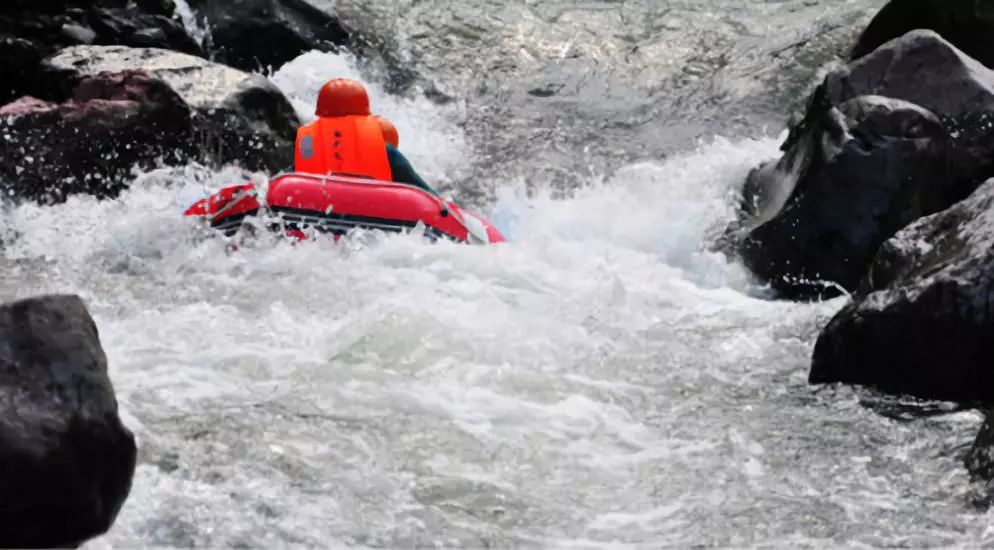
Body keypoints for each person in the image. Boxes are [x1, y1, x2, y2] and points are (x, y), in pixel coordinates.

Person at [294, 78, 435, 194]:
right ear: (365, 112)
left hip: (317, 208)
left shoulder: (307, 144)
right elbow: (424, 192)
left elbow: (293, 174)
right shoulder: (384, 151)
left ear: (320, 111)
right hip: (372, 213)